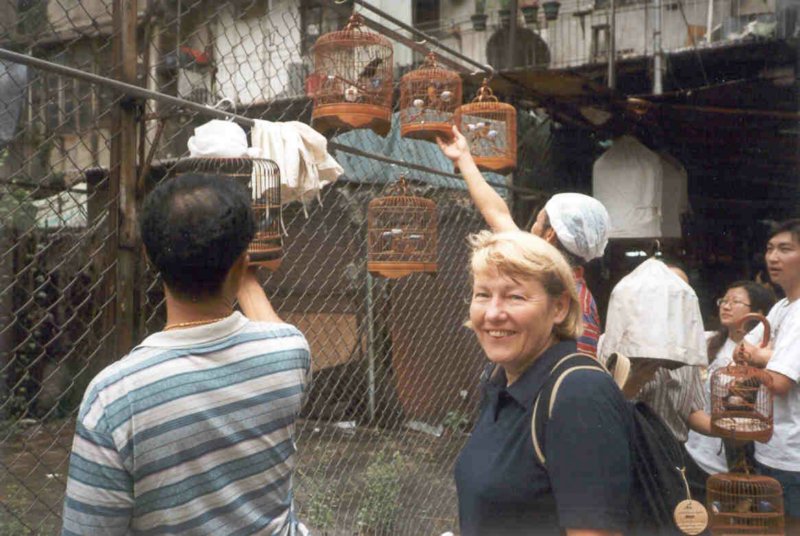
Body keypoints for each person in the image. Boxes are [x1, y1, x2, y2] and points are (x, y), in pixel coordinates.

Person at [61, 173, 311, 535]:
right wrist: (240, 267)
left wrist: (235, 261)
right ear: (242, 262)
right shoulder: (289, 352)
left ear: (149, 256)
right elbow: (269, 327)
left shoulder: (114, 398)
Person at [455, 230, 631, 536]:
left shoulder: (578, 396)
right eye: (483, 294)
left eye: (515, 296)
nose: (494, 313)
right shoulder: (500, 383)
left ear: (559, 308)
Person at [437, 126, 610, 357]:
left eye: (538, 221)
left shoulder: (553, 287)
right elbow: (498, 214)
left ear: (550, 234)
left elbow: (498, 215)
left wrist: (464, 158)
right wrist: (463, 158)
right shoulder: (579, 293)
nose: (531, 228)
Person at [683, 281, 776, 501]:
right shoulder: (706, 342)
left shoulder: (766, 353)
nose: (726, 306)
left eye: (735, 302)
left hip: (741, 453)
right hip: (698, 449)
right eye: (723, 301)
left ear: (758, 313)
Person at [740, 219, 800, 530]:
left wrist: (762, 357)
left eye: (785, 249)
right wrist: (767, 358)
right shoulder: (781, 308)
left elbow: (779, 381)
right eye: (769, 249)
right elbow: (742, 351)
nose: (773, 257)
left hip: (794, 455)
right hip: (772, 446)